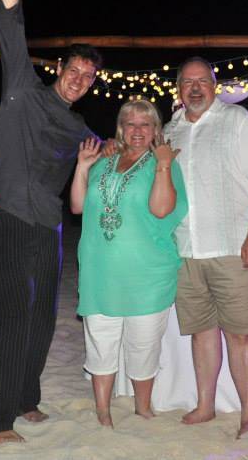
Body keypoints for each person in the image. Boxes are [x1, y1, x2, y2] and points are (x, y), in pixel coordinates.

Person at [0, 0, 102, 443]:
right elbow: (10, 23)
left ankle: (25, 397)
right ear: (59, 70)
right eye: (74, 70)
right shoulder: (22, 88)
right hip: (4, 218)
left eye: (89, 76)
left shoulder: (78, 130)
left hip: (46, 226)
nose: (79, 79)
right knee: (11, 318)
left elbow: (116, 152)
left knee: (43, 320)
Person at [163, 57, 248, 438]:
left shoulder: (237, 121)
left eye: (202, 81)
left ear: (215, 85)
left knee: (241, 334)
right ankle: (206, 405)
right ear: (178, 87)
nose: (195, 88)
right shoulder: (171, 129)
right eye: (187, 82)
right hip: (186, 249)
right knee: (202, 332)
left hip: (233, 247)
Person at [70, 100, 187, 427]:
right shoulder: (104, 161)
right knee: (101, 342)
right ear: (121, 128)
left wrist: (163, 165)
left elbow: (162, 209)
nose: (138, 131)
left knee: (144, 344)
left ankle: (143, 407)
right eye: (131, 124)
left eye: (145, 124)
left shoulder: (163, 161)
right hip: (100, 271)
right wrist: (82, 167)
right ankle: (103, 410)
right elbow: (78, 207)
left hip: (147, 272)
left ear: (155, 129)